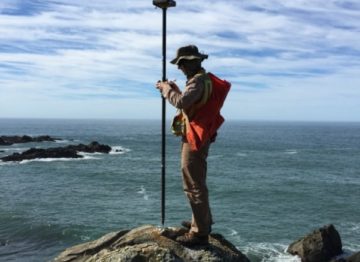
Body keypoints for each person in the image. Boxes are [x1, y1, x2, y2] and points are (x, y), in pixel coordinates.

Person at [156, 45, 230, 246]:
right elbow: (191, 102)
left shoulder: (197, 81)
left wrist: (166, 90)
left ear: (191, 62)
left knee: (192, 184)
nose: (180, 68)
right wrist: (174, 89)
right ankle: (202, 221)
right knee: (197, 181)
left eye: (181, 63)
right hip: (200, 135)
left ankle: (199, 233)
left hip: (195, 138)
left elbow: (181, 102)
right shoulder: (203, 80)